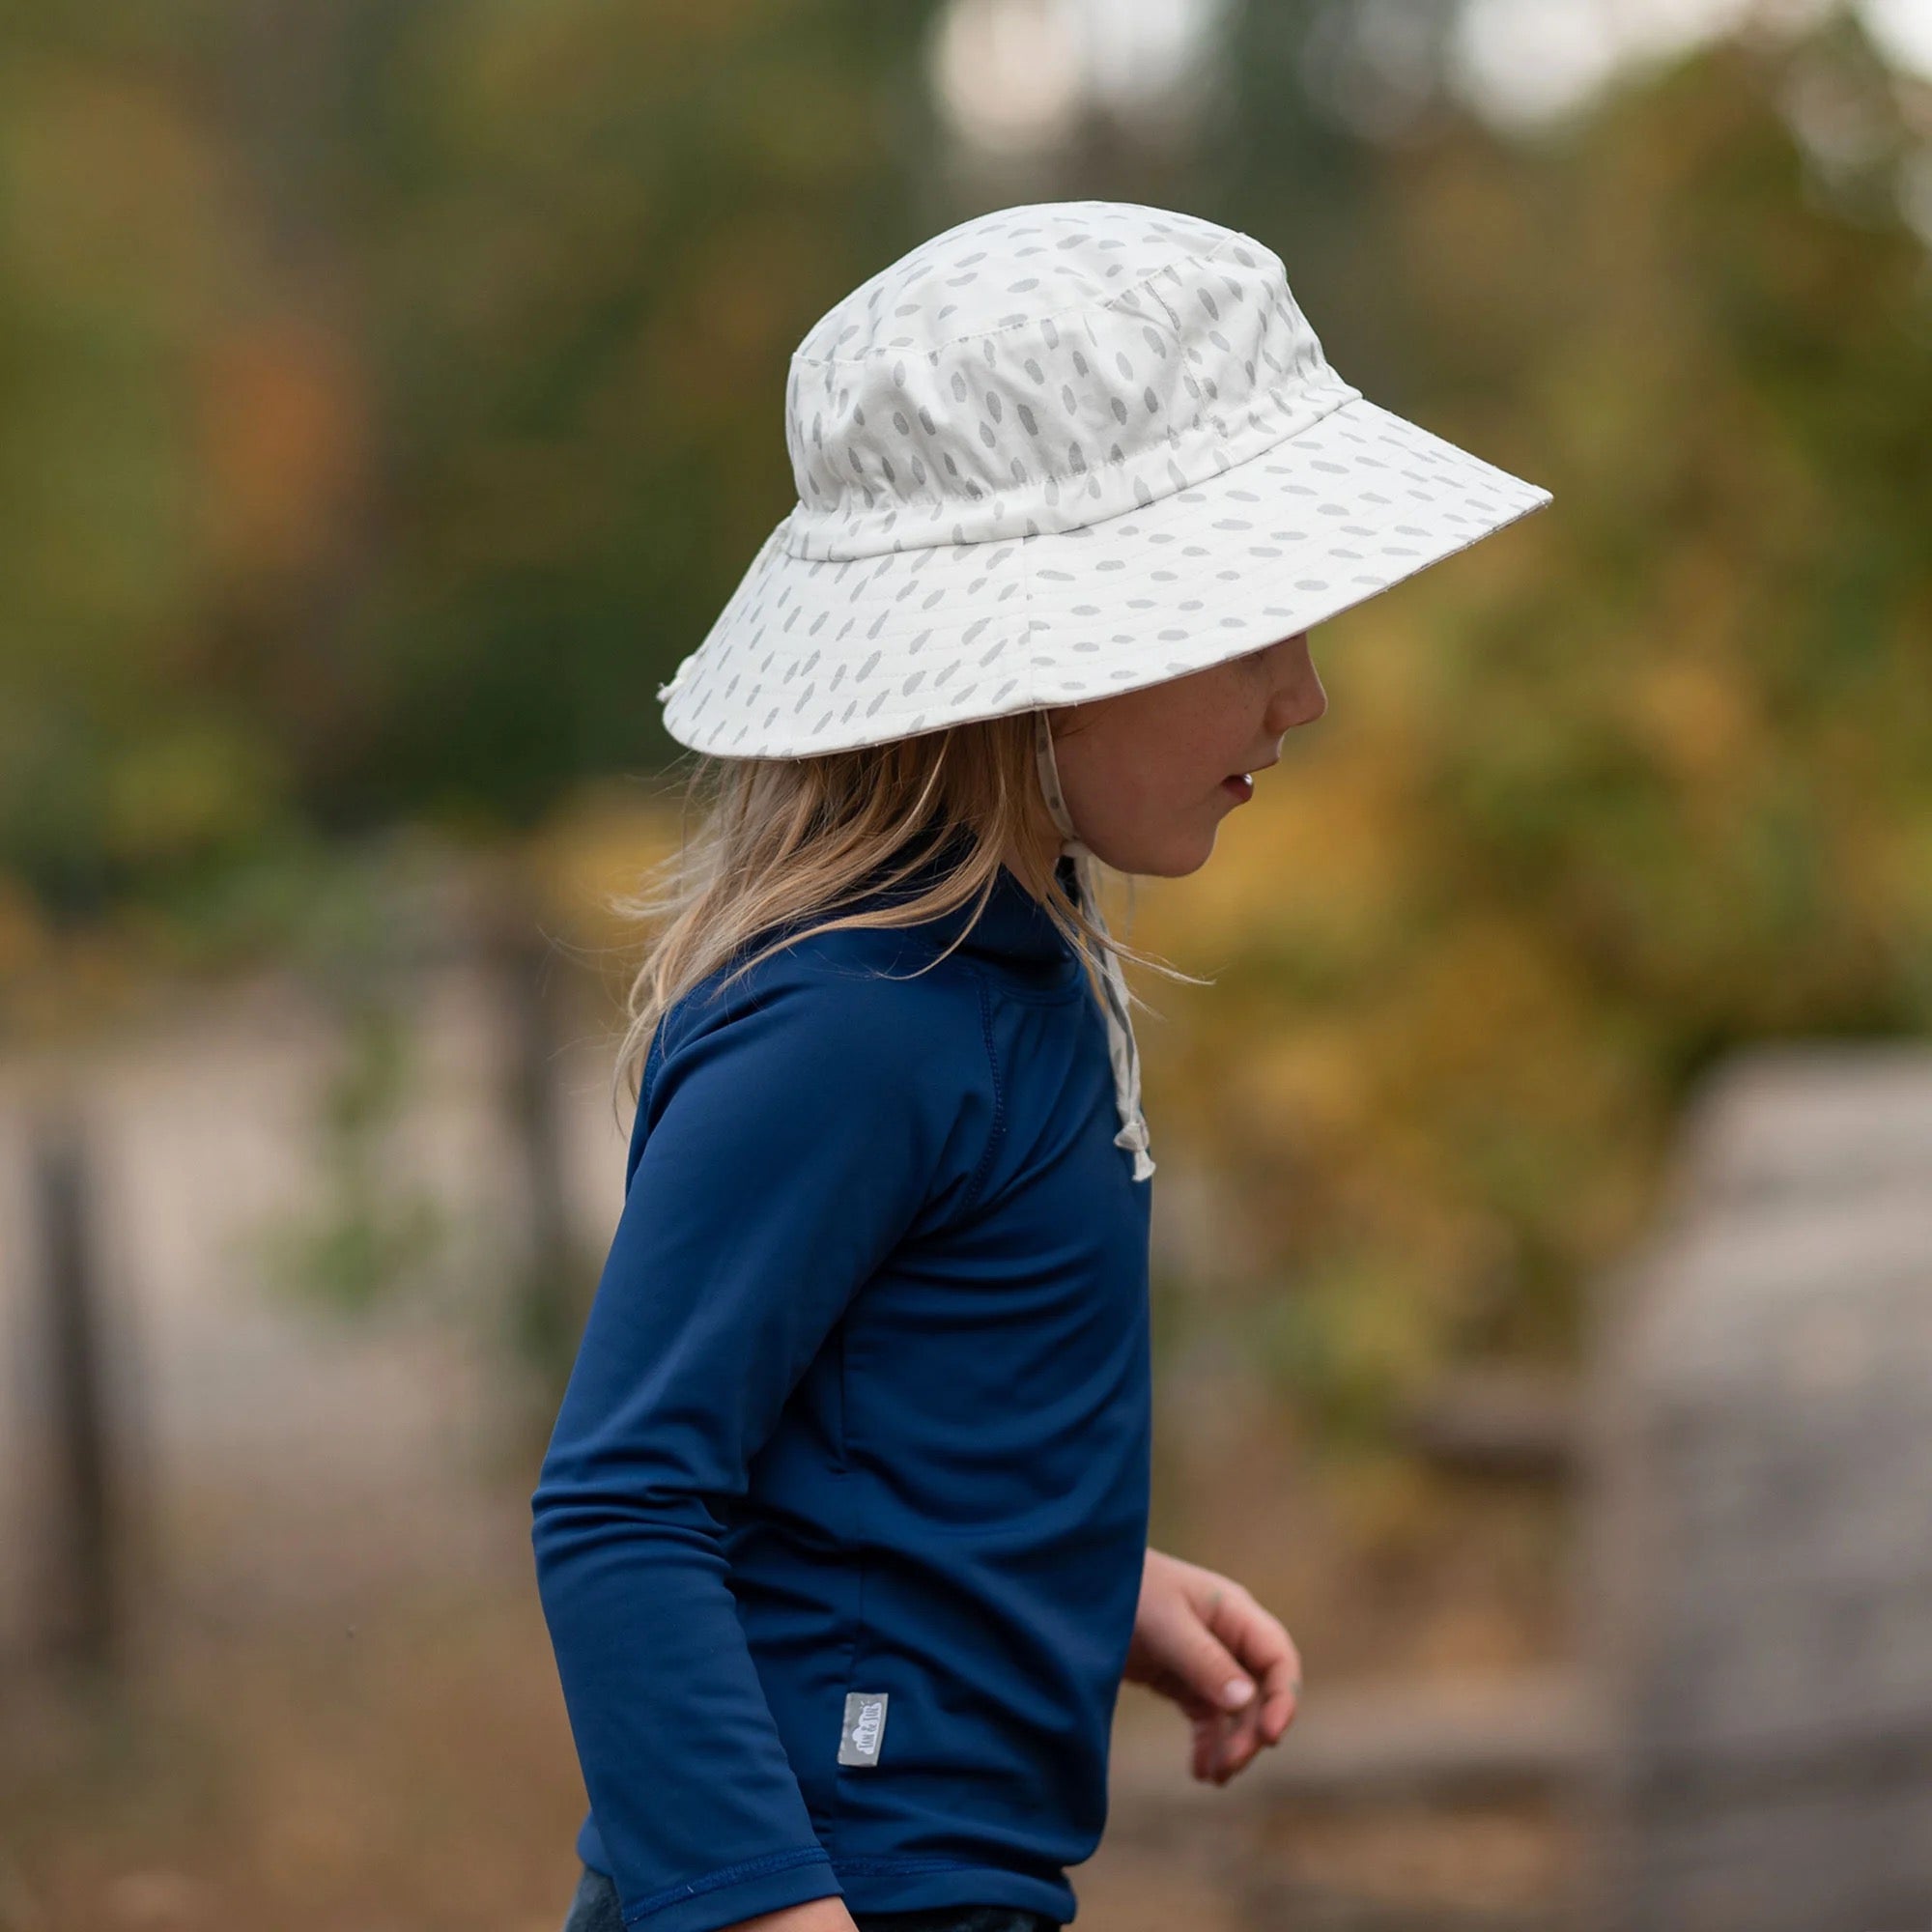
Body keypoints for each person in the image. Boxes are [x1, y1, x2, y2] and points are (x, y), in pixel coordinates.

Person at [530, 199, 1550, 1932]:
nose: (1304, 697)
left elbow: (856, 1440)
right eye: (1249, 635)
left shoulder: (1020, 970)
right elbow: (625, 1505)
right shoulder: (853, 1024)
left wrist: (1078, 1582)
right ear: (1036, 659)